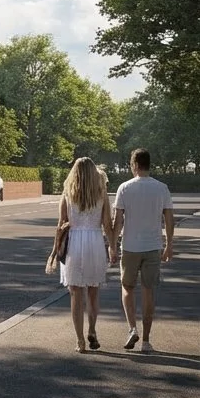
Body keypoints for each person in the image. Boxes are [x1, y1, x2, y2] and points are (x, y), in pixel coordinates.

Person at [112, 148, 175, 354]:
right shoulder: (162, 188)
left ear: (135, 165)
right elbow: (168, 219)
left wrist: (112, 244)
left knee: (127, 287)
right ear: (149, 164)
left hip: (130, 246)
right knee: (149, 291)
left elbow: (118, 221)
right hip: (153, 246)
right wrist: (169, 244)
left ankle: (132, 328)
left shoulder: (124, 188)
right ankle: (146, 341)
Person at [56, 158, 115, 353]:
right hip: (95, 241)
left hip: (74, 242)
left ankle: (80, 340)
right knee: (93, 291)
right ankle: (92, 330)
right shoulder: (101, 193)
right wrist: (112, 246)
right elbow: (107, 223)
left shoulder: (68, 193)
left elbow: (61, 223)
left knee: (75, 294)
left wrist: (56, 246)